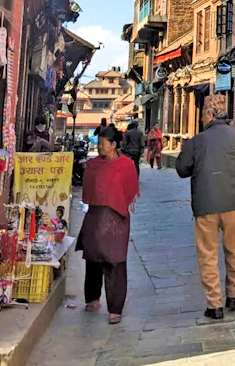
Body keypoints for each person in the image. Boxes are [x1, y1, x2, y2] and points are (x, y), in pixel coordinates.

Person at [176, 95, 235, 321]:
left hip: (206, 205)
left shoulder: (197, 141)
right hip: (233, 202)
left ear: (209, 114)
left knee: (208, 254)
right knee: (234, 249)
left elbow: (181, 169)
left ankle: (214, 304)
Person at [77, 124, 138, 324]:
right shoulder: (94, 165)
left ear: (113, 145)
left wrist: (117, 203)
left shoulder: (126, 165)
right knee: (93, 258)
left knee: (115, 261)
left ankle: (115, 308)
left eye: (103, 144)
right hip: (95, 215)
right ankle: (92, 298)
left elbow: (130, 190)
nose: (100, 148)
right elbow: (88, 189)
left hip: (117, 217)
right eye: (99, 144)